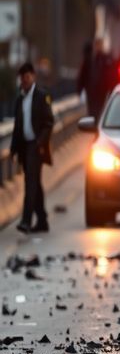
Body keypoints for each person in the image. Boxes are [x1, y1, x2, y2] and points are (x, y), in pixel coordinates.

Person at [10, 63, 53, 234]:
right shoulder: (19, 99)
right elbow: (16, 127)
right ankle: (42, 220)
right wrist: (13, 150)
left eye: (27, 78)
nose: (24, 82)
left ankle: (26, 221)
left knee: (30, 183)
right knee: (35, 183)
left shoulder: (42, 96)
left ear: (33, 77)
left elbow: (49, 122)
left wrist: (40, 142)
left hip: (36, 147)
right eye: (22, 79)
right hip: (24, 147)